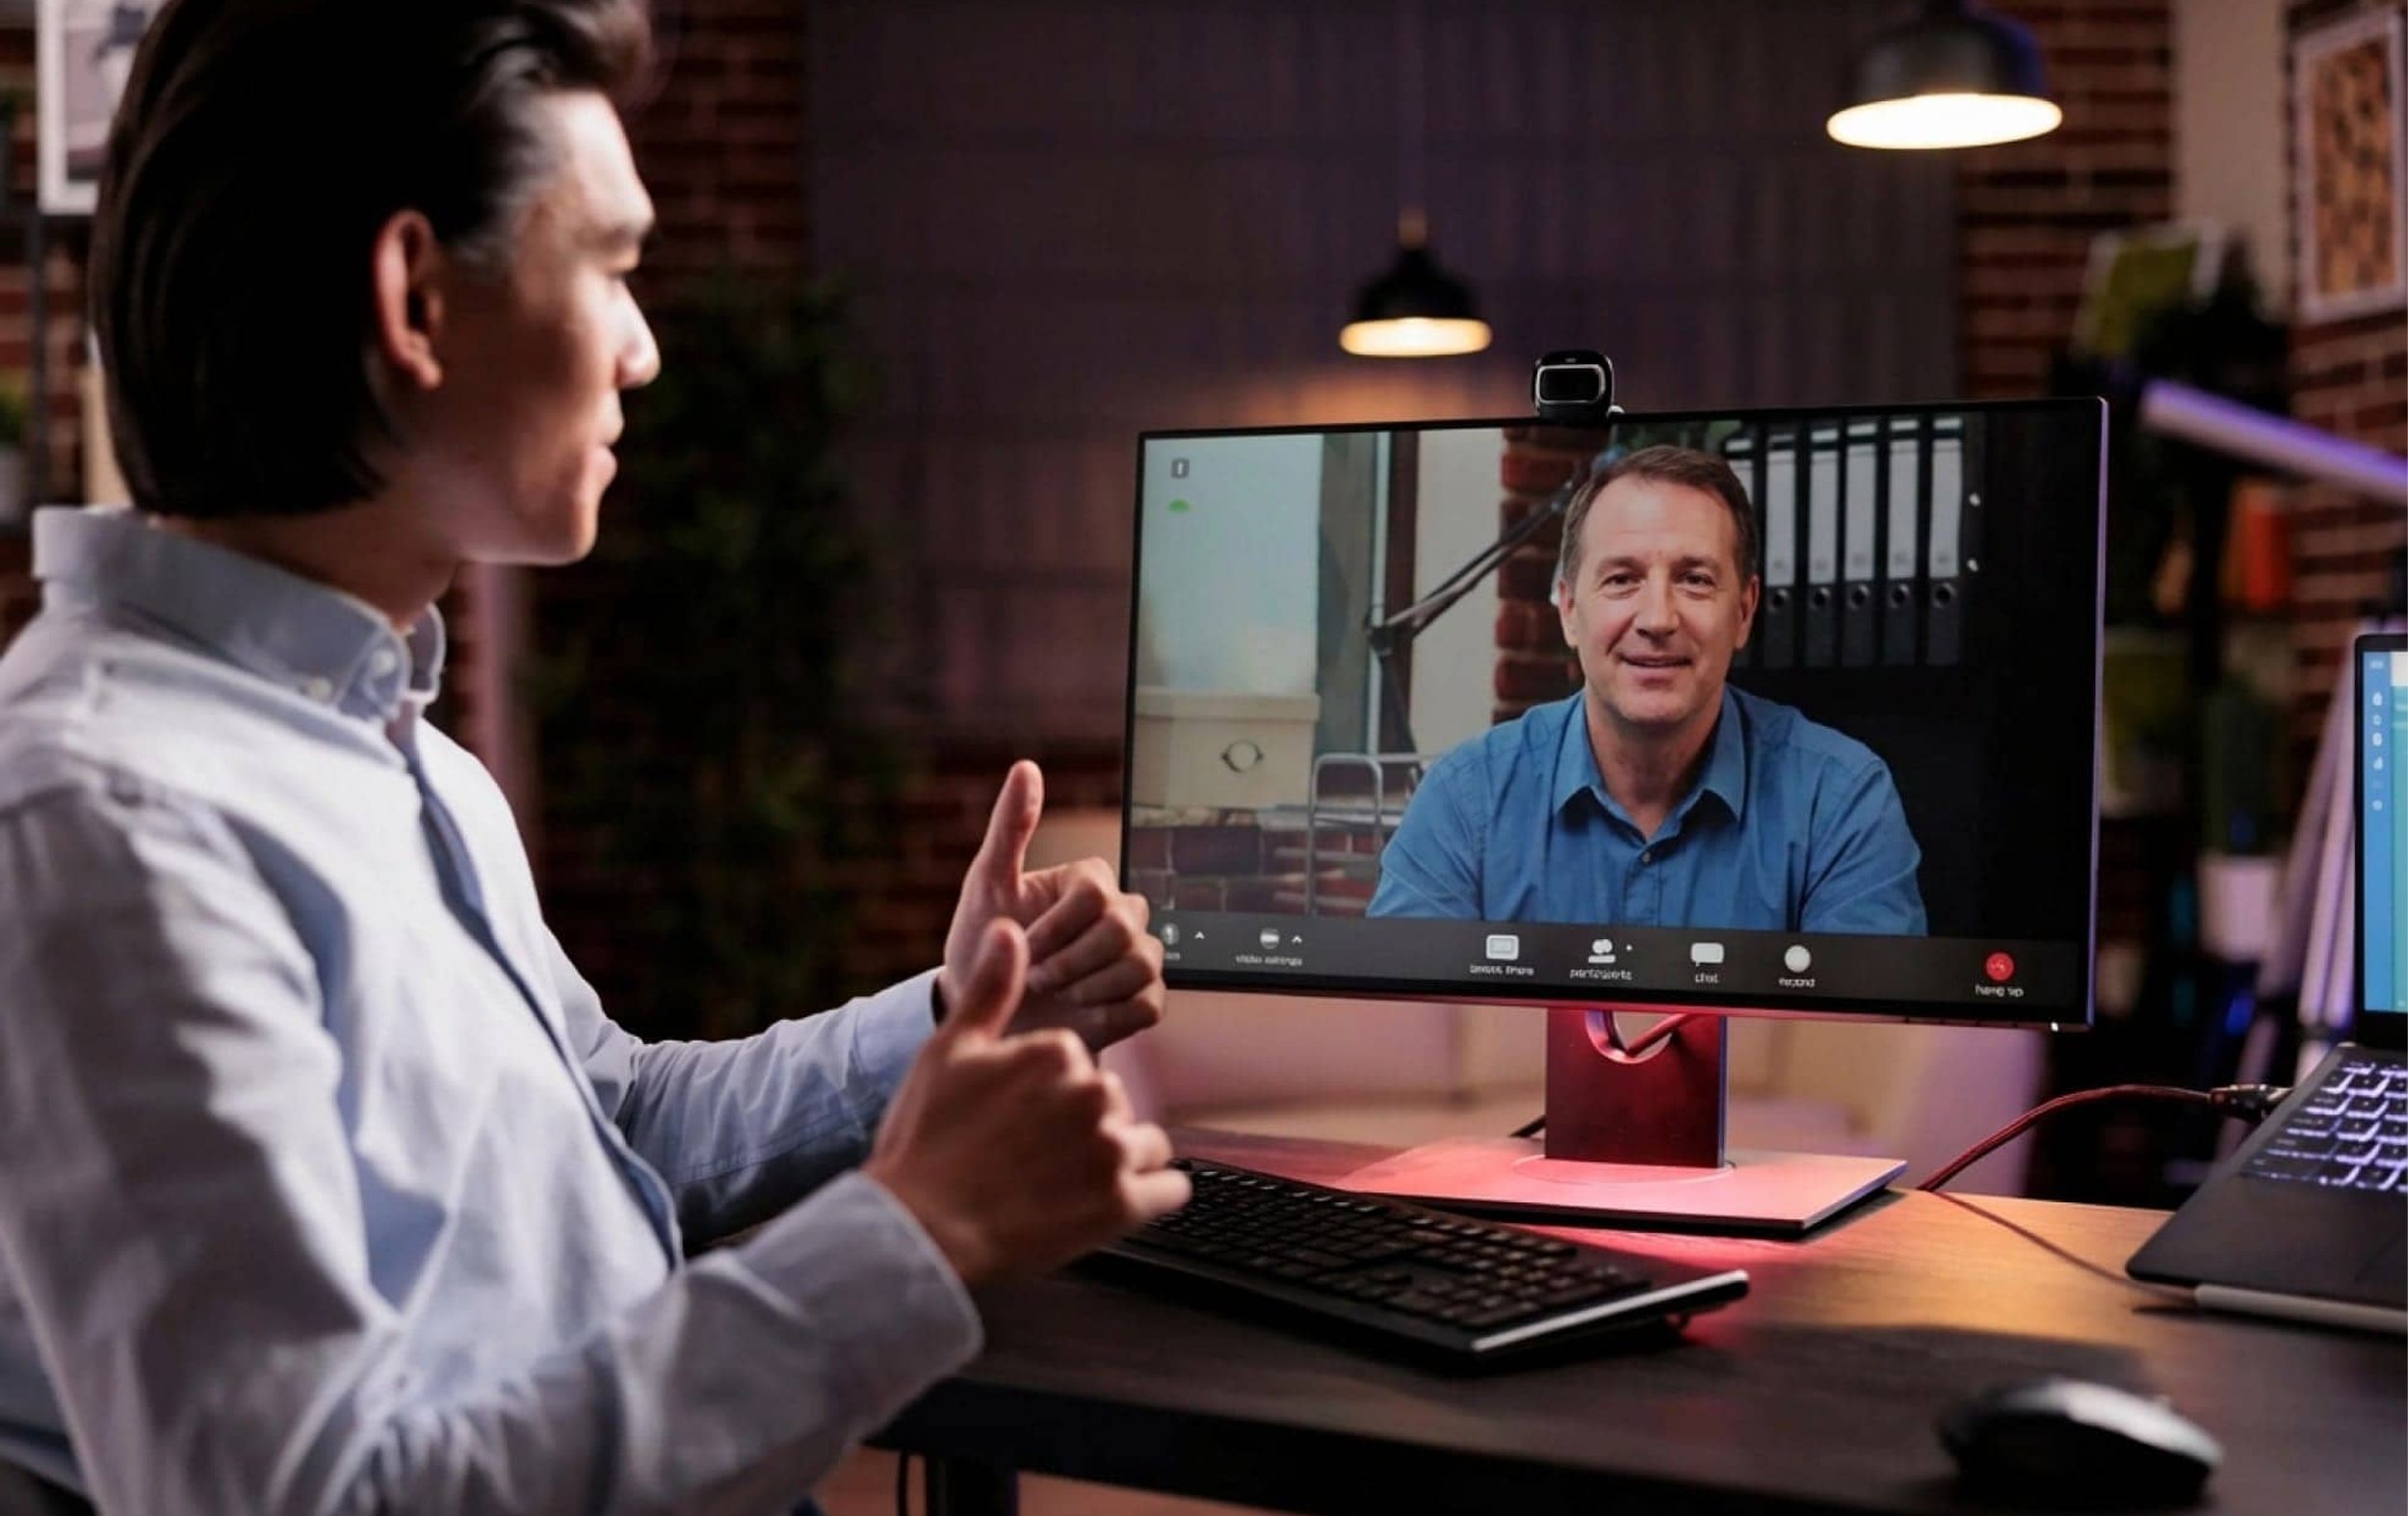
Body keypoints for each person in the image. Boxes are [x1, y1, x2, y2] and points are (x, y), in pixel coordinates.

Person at [0, 3, 1187, 1511]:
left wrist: (949, 1014)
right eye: (614, 266)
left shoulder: (378, 739)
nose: (645, 347)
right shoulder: (107, 823)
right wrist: (914, 1232)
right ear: (417, 300)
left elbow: (603, 1127)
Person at [1369, 445, 1926, 934]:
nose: (1657, 618)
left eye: (1695, 579)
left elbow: (1870, 1049)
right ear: (1568, 610)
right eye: (1621, 579)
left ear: (1745, 610)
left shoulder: (1840, 800)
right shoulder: (1467, 801)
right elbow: (1402, 1037)